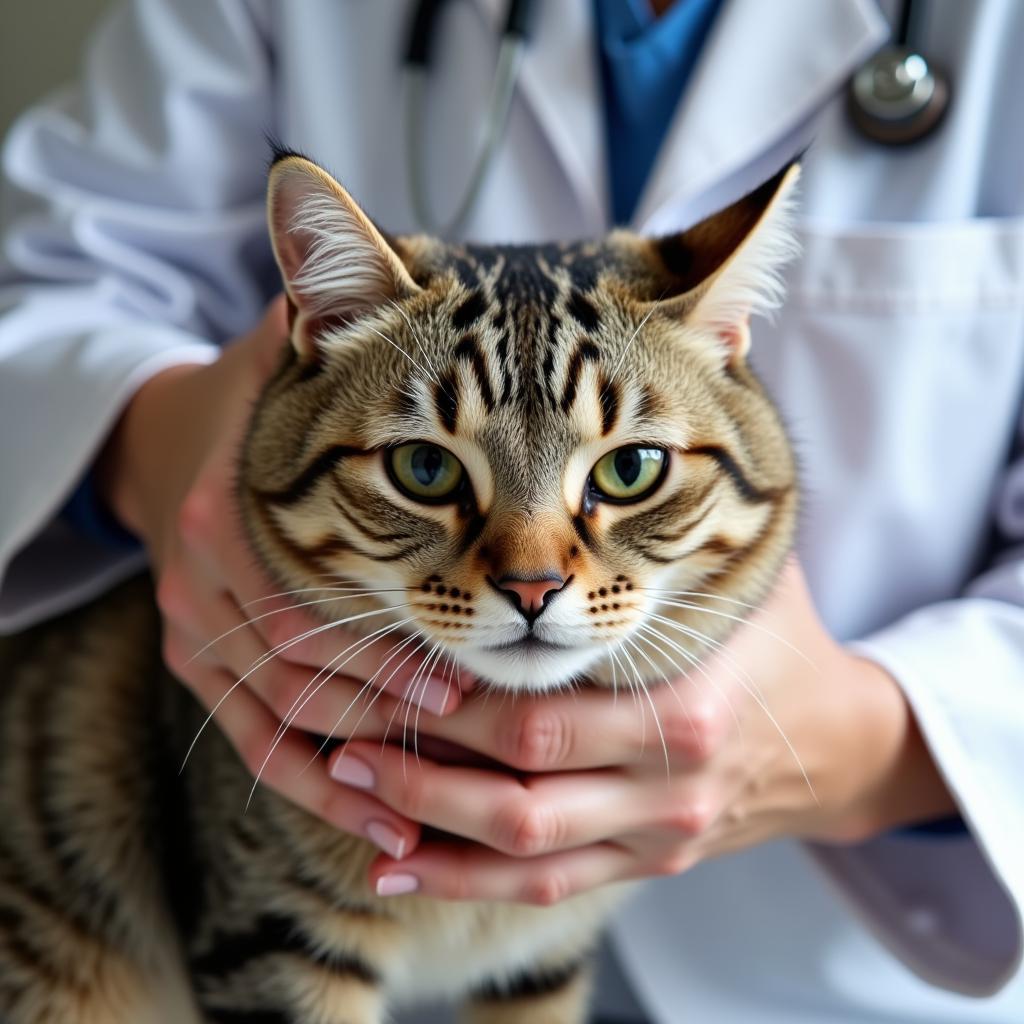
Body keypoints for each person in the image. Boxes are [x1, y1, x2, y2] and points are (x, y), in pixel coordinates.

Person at [1, 1, 1023, 1021]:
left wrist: (860, 743)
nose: (531, 572)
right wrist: (156, 438)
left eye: (624, 474)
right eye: (430, 472)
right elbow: (57, 280)